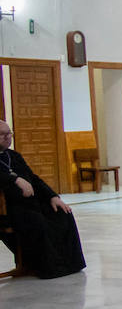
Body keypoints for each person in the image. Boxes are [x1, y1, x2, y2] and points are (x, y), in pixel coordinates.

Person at [0, 119, 85, 278]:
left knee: (62, 213)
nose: (7, 137)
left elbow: (33, 178)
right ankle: (47, 267)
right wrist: (15, 180)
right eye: (2, 134)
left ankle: (69, 264)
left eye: (9, 133)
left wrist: (53, 196)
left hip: (30, 203)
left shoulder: (13, 156)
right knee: (36, 221)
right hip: (8, 209)